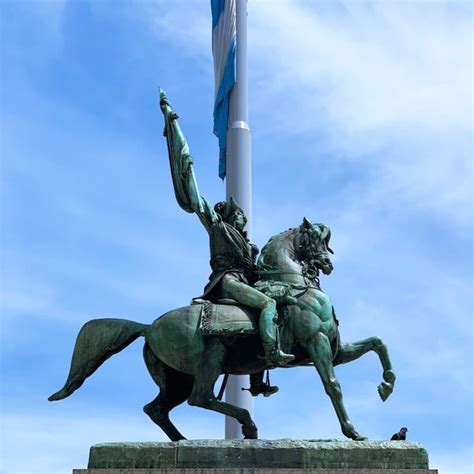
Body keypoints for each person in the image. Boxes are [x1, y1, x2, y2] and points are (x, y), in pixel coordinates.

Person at [159, 90, 294, 370]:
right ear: (228, 215)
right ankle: (273, 356)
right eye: (238, 213)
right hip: (228, 282)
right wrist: (173, 127)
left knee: (278, 308)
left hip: (243, 282)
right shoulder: (219, 227)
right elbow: (193, 194)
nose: (243, 217)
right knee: (267, 305)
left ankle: (257, 376)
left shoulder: (246, 244)